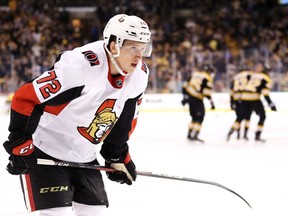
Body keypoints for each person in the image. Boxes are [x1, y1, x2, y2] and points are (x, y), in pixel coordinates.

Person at [2, 14, 152, 216]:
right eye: (132, 48)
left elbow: (125, 119)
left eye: (142, 48)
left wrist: (116, 154)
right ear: (114, 45)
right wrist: (20, 144)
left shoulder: (139, 76)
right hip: (46, 151)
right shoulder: (78, 66)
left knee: (95, 213)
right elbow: (26, 97)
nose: (139, 56)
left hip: (85, 156)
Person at [227, 62, 277, 142]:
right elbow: (265, 93)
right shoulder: (264, 77)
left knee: (241, 117)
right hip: (254, 98)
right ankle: (257, 135)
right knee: (262, 116)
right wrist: (271, 104)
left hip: (242, 98)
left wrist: (232, 102)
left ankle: (231, 132)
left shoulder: (251, 75)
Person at [181, 64, 215, 143]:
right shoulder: (207, 77)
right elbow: (207, 92)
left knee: (193, 117)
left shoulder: (194, 74)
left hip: (190, 98)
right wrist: (212, 102)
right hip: (197, 98)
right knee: (200, 117)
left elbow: (185, 86)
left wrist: (185, 98)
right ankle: (195, 134)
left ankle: (189, 134)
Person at [229, 67, 253, 140]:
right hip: (245, 98)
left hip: (236, 98)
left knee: (239, 117)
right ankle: (244, 134)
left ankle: (238, 134)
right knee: (247, 117)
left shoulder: (235, 78)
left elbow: (231, 91)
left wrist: (232, 102)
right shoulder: (248, 75)